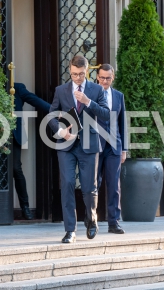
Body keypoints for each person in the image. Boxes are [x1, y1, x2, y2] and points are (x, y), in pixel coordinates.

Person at [48, 55, 110, 243]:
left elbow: (106, 114)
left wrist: (88, 101)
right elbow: (51, 114)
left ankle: (91, 219)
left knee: (89, 188)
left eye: (81, 74)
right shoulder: (61, 90)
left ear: (87, 71)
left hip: (89, 145)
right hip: (66, 145)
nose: (77, 78)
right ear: (70, 70)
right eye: (74, 74)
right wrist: (60, 131)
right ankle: (70, 230)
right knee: (66, 184)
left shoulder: (97, 89)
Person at [96, 64, 127, 234]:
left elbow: (122, 123)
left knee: (114, 185)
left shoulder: (118, 96)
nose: (105, 81)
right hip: (95, 145)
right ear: (97, 77)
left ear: (112, 77)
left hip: (114, 146)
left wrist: (124, 149)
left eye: (108, 78)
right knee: (94, 183)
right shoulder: (91, 94)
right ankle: (91, 218)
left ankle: (113, 222)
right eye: (102, 77)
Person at [13, 82, 50, 220]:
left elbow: (35, 100)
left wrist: (54, 110)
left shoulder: (17, 88)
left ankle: (25, 207)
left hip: (13, 135)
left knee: (16, 168)